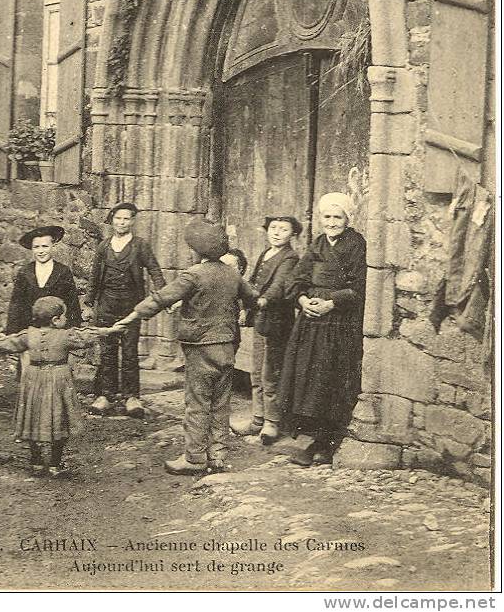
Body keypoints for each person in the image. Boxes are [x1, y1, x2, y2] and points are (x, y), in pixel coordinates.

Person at [114, 218, 265, 475]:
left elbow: (161, 298)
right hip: (227, 345)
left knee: (197, 402)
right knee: (220, 402)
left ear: (197, 250)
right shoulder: (232, 274)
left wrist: (131, 317)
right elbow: (254, 300)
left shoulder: (193, 275)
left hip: (200, 347)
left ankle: (194, 458)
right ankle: (217, 456)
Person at [0, 296, 121, 476]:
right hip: (58, 380)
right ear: (56, 320)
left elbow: (7, 343)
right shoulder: (66, 335)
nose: (66, 319)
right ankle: (54, 464)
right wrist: (110, 330)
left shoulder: (28, 335)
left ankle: (36, 463)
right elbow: (87, 336)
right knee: (59, 418)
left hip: (33, 379)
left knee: (33, 417)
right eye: (64, 316)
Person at [277, 192, 367, 466]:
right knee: (308, 378)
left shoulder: (355, 244)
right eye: (327, 217)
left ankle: (328, 441)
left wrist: (331, 303)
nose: (331, 222)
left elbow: (359, 287)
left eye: (337, 217)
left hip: (338, 324)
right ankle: (313, 437)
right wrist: (303, 300)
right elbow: (297, 279)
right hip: (311, 323)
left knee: (330, 379)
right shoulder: (317, 244)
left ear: (347, 219)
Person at [83, 202, 166, 418]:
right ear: (112, 220)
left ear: (133, 221)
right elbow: (94, 276)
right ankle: (106, 395)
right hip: (107, 306)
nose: (121, 222)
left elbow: (154, 270)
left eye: (126, 218)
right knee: (108, 352)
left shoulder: (140, 245)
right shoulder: (104, 246)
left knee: (129, 353)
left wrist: (165, 295)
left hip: (131, 308)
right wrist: (89, 303)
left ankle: (131, 397)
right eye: (118, 218)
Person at [231, 215, 301, 444]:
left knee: (270, 374)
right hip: (261, 320)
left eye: (283, 229)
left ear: (293, 234)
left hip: (277, 321)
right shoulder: (265, 253)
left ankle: (272, 422)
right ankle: (257, 419)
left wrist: (263, 301)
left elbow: (279, 285)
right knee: (256, 371)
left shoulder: (290, 257)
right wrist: (245, 304)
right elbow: (252, 281)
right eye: (273, 228)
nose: (277, 232)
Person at [6, 224, 82, 334]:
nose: (41, 251)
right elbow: (16, 306)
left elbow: (72, 304)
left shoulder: (63, 272)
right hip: (29, 332)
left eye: (45, 246)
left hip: (56, 332)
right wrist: (12, 334)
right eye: (36, 247)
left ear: (53, 246)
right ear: (32, 249)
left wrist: (72, 331)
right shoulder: (24, 272)